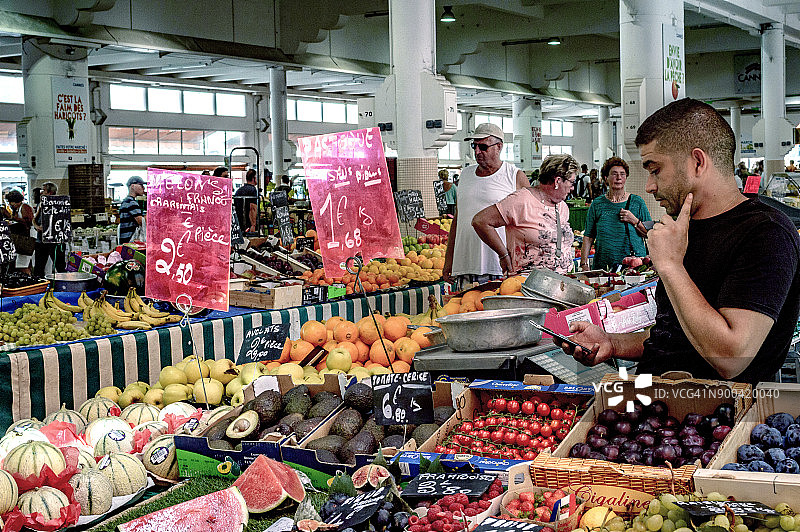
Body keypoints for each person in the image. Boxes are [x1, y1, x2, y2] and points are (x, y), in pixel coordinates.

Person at [557, 98, 800, 384]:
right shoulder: (686, 229)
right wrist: (612, 342)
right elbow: (675, 333)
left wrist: (671, 266)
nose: (649, 186)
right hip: (657, 405)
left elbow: (732, 357)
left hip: (715, 418)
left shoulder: (766, 234)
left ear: (697, 162)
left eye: (655, 169)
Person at [442, 123, 529, 289]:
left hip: (499, 266)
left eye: (483, 147)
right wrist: (449, 260)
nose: (477, 152)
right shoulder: (466, 175)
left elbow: (528, 222)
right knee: (466, 310)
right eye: (474, 146)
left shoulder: (514, 176)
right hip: (465, 265)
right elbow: (458, 221)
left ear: (499, 147)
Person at [472, 154, 577, 274]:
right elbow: (480, 221)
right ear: (557, 181)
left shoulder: (562, 206)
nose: (573, 188)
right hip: (526, 284)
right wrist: (503, 254)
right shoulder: (521, 200)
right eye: (572, 182)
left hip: (561, 283)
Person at [580, 157, 651, 271]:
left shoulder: (637, 202)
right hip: (604, 266)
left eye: (622, 174)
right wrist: (584, 264)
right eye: (614, 174)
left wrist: (634, 221)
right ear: (605, 178)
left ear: (626, 178)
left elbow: (650, 233)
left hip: (634, 266)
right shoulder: (597, 204)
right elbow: (588, 236)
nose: (618, 177)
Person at [32, 182, 66, 277]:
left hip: (56, 240)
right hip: (41, 240)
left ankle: (63, 284)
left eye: (44, 191)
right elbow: (34, 219)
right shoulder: (40, 204)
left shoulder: (60, 204)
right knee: (39, 267)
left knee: (60, 266)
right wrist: (37, 227)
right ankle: (40, 286)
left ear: (50, 192)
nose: (41, 193)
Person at [5, 189, 34, 274]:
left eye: (11, 202)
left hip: (27, 239)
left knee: (23, 264)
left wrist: (13, 218)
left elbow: (28, 221)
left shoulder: (24, 207)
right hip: (24, 237)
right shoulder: (19, 208)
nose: (10, 204)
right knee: (22, 263)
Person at [119, 176, 145, 244]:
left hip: (126, 241)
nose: (143, 188)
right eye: (141, 185)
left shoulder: (126, 201)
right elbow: (142, 222)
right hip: (130, 242)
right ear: (133, 186)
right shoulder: (131, 202)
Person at [234, 168, 259, 233]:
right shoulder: (253, 190)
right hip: (248, 224)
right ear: (254, 178)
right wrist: (253, 225)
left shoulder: (239, 190)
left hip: (239, 223)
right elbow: (252, 208)